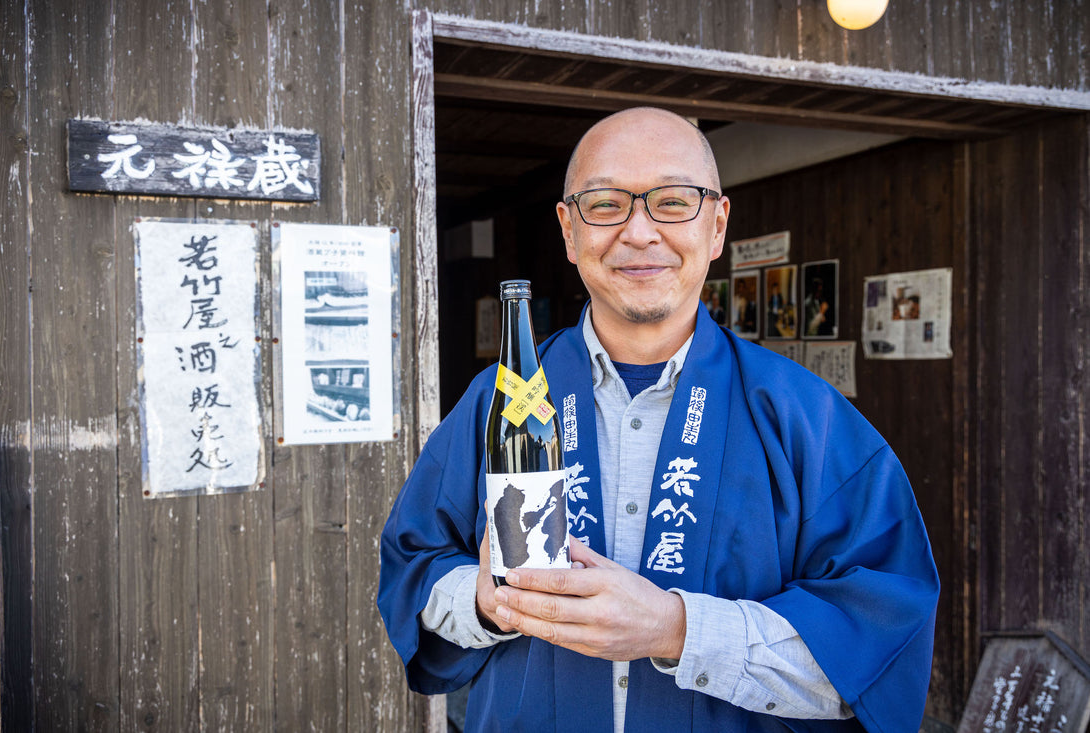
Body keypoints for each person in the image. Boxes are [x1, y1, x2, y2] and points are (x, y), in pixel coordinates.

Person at [378, 107, 939, 732]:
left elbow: (877, 649)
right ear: (568, 230)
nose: (639, 231)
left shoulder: (808, 418)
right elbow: (413, 567)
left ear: (718, 223)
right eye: (605, 203)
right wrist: (484, 602)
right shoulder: (498, 400)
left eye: (673, 202)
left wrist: (675, 630)